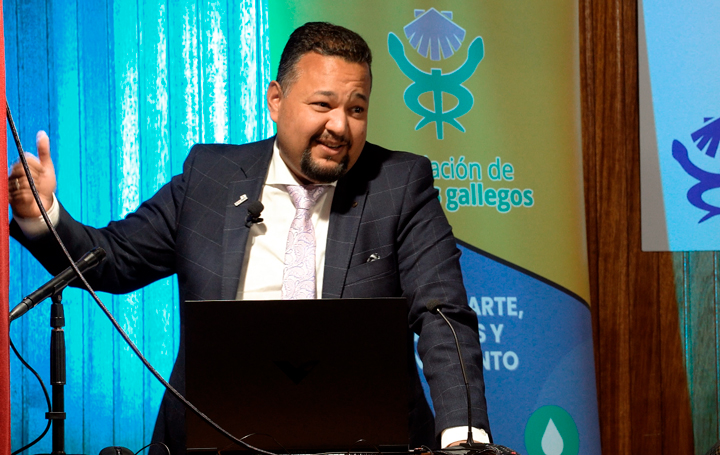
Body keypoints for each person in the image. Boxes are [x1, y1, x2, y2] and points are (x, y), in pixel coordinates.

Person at [8, 22, 491, 453]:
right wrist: (41, 212)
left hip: (365, 444)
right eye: (323, 104)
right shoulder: (210, 178)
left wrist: (464, 440)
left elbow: (442, 315)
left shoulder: (399, 184)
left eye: (357, 108)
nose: (340, 126)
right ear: (276, 100)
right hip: (215, 440)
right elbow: (110, 260)